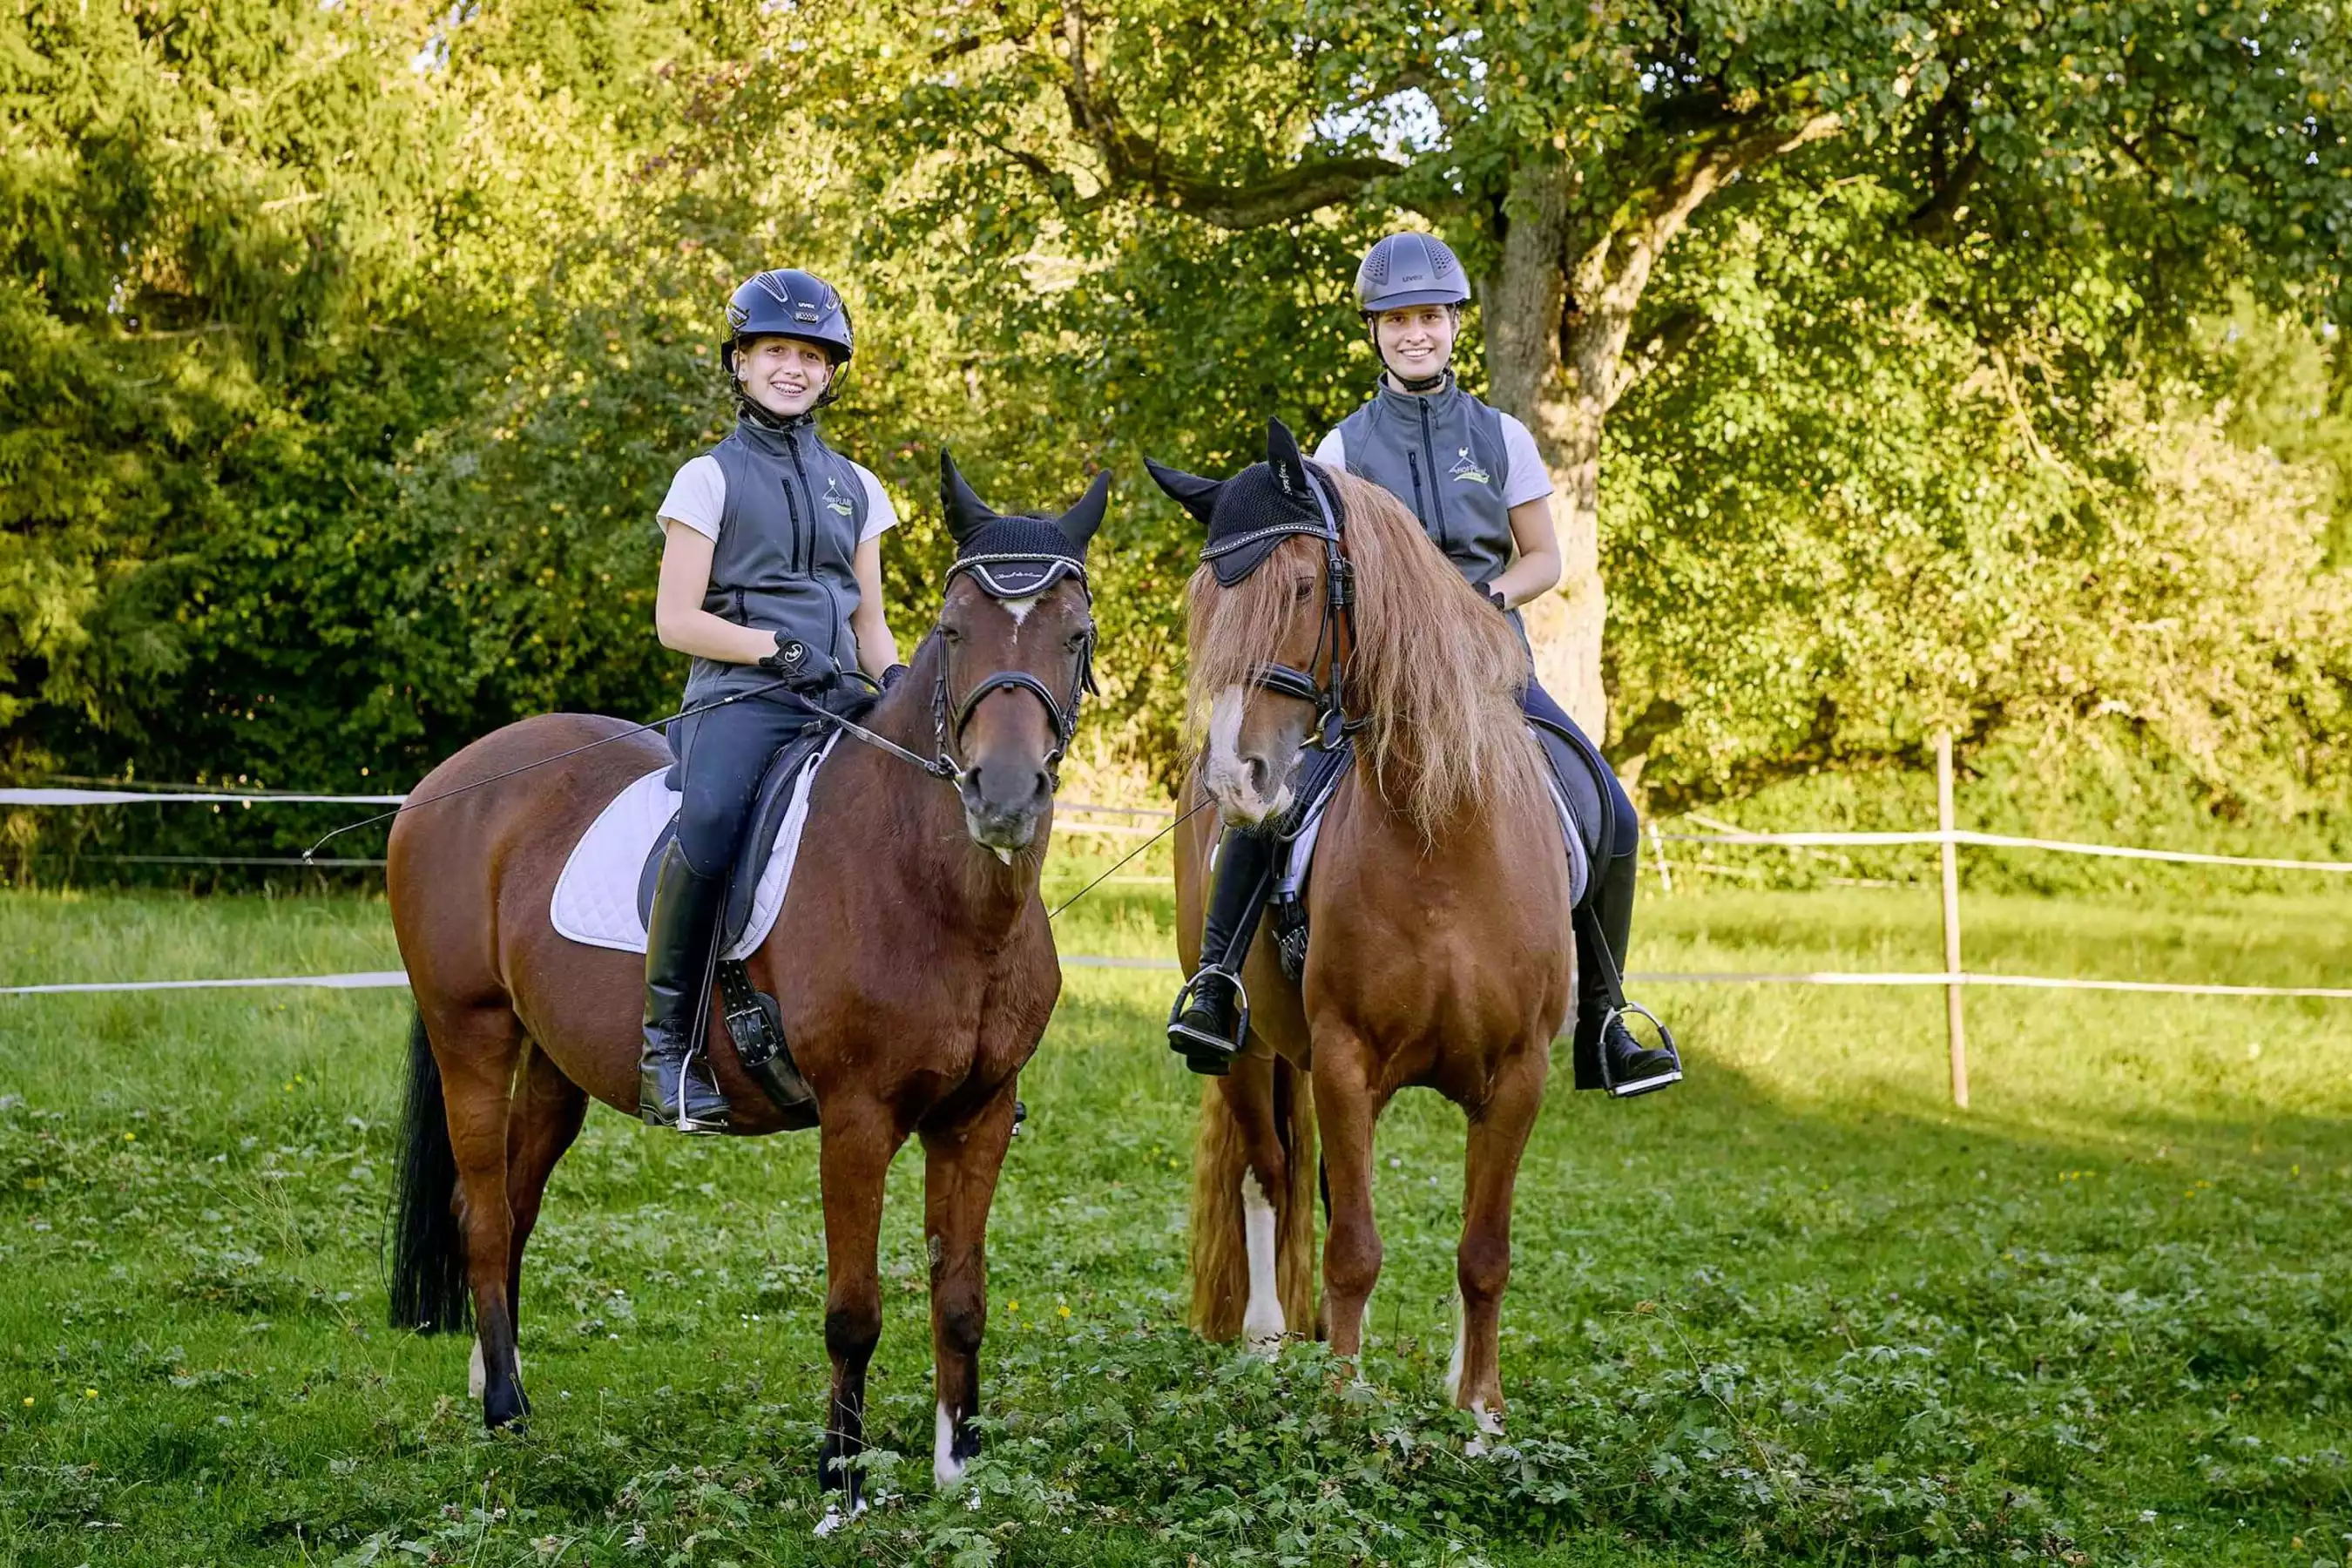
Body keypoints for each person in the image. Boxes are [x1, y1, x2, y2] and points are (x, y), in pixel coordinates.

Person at [1166, 232, 1682, 1098]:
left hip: (1492, 676)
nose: (1418, 333)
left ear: (1454, 327)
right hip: (1374, 688)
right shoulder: (1338, 449)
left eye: (1432, 318)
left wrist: (1484, 603)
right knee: (1264, 805)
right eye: (1399, 319)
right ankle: (1219, 983)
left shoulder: (1505, 435)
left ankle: (1605, 1016)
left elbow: (1545, 559)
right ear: (1375, 331)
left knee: (1613, 814)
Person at [641, 268, 903, 1133]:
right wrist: (771, 648)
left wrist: (896, 682)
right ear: (742, 364)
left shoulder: (858, 487)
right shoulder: (706, 479)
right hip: (741, 698)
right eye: (774, 352)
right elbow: (676, 620)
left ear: (832, 372)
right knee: (711, 823)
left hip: (837, 697)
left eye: (809, 356)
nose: (792, 368)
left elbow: (869, 619)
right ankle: (667, 1051)